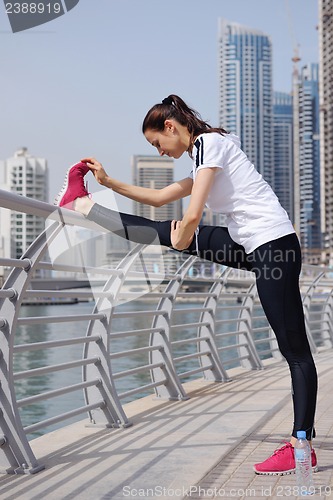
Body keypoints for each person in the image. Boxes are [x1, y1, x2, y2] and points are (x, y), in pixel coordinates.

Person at [55, 94, 318, 475]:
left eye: (157, 143)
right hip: (253, 244)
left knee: (294, 350)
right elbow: (160, 198)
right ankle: (83, 205)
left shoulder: (208, 145)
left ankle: (300, 445)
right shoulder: (202, 155)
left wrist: (184, 238)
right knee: (162, 232)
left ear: (171, 127)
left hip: (274, 249)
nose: (160, 152)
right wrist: (108, 182)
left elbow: (192, 213)